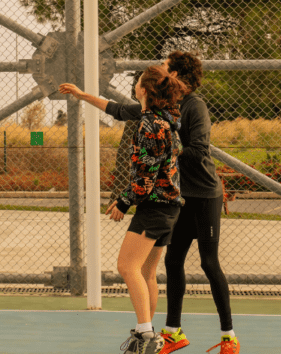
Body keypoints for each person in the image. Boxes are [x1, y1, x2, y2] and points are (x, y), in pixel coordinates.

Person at [80, 52, 239, 354]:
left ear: (177, 75)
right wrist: (82, 95)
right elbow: (120, 110)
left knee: (204, 263)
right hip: (175, 196)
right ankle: (170, 332)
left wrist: (165, 152)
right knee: (169, 263)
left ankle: (226, 334)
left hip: (200, 194)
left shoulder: (189, 109)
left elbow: (194, 151)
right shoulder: (163, 110)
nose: (161, 71)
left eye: (166, 68)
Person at [60, 66, 187, 354]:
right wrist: (82, 95)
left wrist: (123, 201)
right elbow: (115, 108)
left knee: (126, 266)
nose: (135, 84)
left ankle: (146, 335)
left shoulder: (149, 126)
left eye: (138, 81)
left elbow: (146, 174)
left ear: (144, 89)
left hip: (154, 208)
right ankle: (148, 331)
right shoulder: (161, 118)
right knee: (147, 272)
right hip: (169, 209)